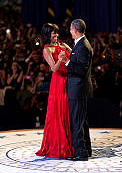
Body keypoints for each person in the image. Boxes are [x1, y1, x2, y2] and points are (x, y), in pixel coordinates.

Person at [35, 23, 73, 158]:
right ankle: (60, 147)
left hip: (69, 80)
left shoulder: (62, 45)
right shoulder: (47, 49)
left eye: (57, 33)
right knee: (58, 112)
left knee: (68, 112)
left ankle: (71, 143)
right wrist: (61, 60)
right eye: (53, 33)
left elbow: (74, 53)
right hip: (58, 83)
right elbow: (54, 69)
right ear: (47, 35)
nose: (56, 35)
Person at [65, 19, 93, 161]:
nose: (69, 31)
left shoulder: (83, 46)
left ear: (76, 30)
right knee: (82, 121)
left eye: (70, 29)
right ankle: (86, 149)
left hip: (78, 90)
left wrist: (67, 61)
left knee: (77, 121)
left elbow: (81, 70)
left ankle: (80, 153)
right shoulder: (81, 44)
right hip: (79, 89)